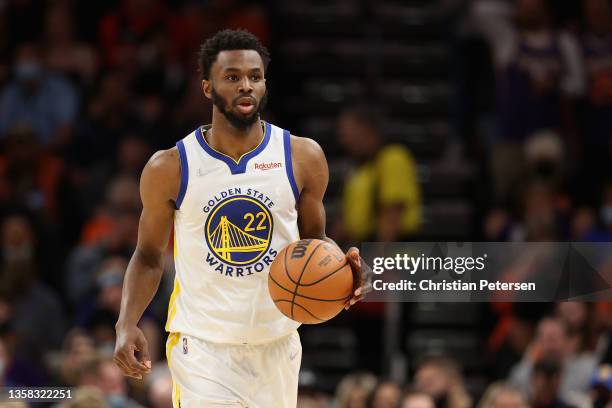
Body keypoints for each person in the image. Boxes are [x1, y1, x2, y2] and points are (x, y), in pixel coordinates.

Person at [113, 29, 369, 407]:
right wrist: (126, 322)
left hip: (278, 342)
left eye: (255, 76)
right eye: (232, 77)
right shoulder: (170, 167)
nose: (246, 85)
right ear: (206, 87)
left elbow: (316, 242)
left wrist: (344, 269)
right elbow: (149, 256)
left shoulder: (302, 157)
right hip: (204, 348)